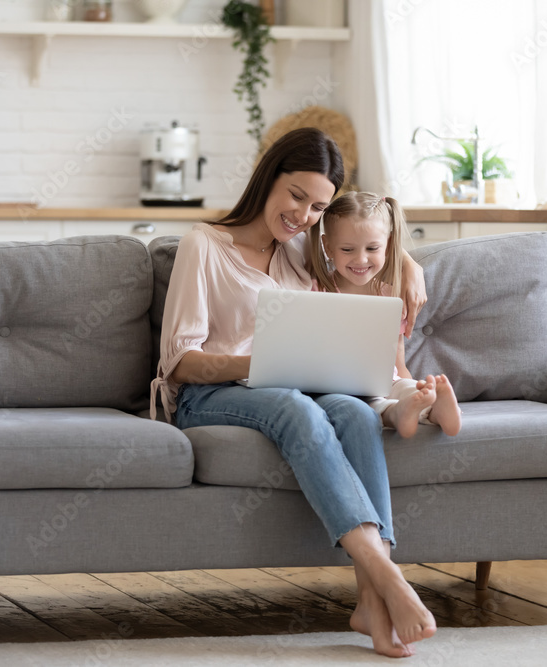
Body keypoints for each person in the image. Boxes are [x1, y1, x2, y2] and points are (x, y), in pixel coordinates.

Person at [150, 128, 436, 658]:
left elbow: (369, 238)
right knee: (294, 405)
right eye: (296, 195)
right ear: (269, 178)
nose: (303, 215)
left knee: (353, 411)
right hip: (209, 396)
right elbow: (179, 362)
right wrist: (262, 364)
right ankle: (388, 576)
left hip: (292, 386)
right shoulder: (204, 246)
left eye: (317, 207)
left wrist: (410, 265)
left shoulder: (303, 250)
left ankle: (369, 602)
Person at [309, 192, 463, 439]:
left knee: (407, 389)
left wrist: (410, 384)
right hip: (340, 387)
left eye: (372, 248)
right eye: (347, 249)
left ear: (389, 245)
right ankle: (401, 413)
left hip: (384, 380)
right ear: (327, 246)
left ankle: (436, 410)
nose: (361, 259)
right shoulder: (317, 290)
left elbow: (398, 362)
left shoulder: (391, 296)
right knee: (370, 404)